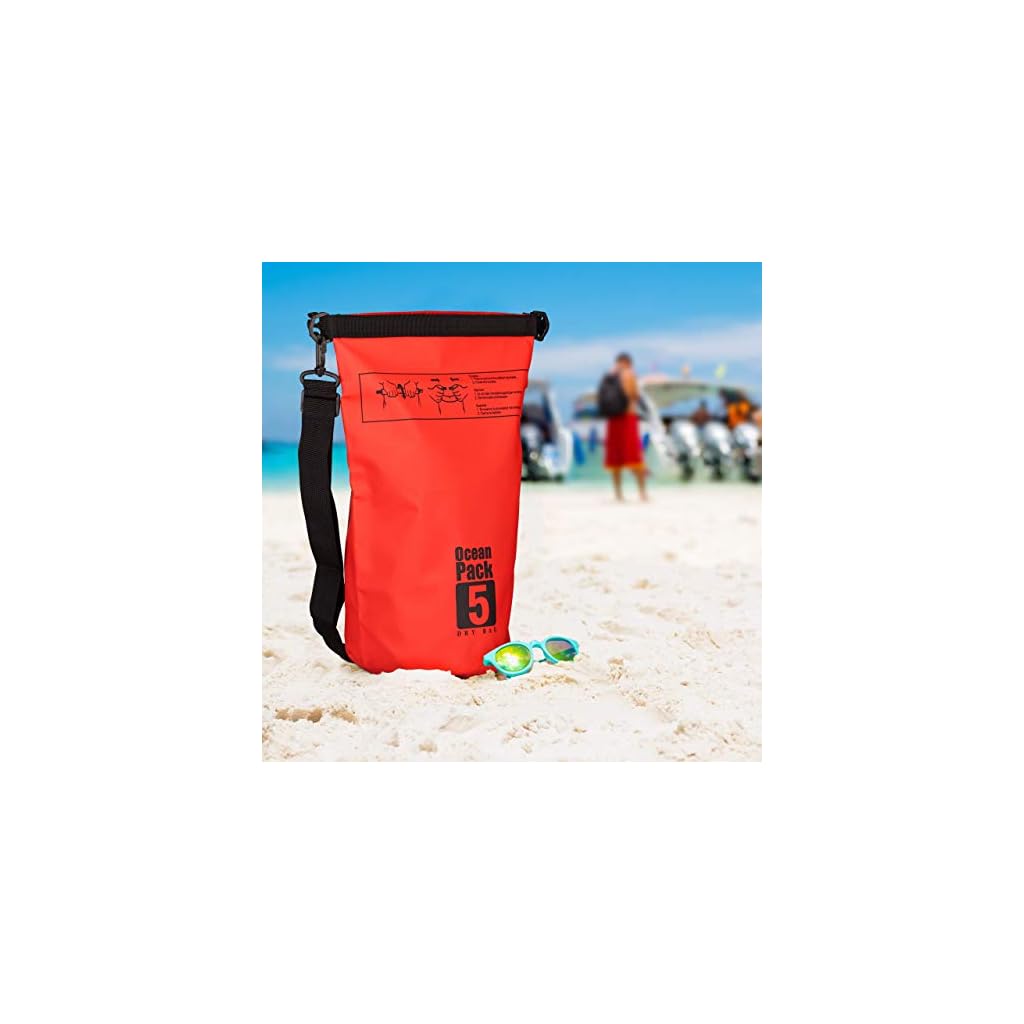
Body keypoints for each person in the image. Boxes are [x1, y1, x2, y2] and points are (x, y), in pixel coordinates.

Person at [604, 352, 648, 501]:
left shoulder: (610, 375)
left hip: (613, 418)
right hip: (628, 417)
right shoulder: (629, 374)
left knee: (615, 457)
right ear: (628, 362)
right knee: (634, 454)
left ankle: (618, 494)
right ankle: (642, 493)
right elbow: (633, 395)